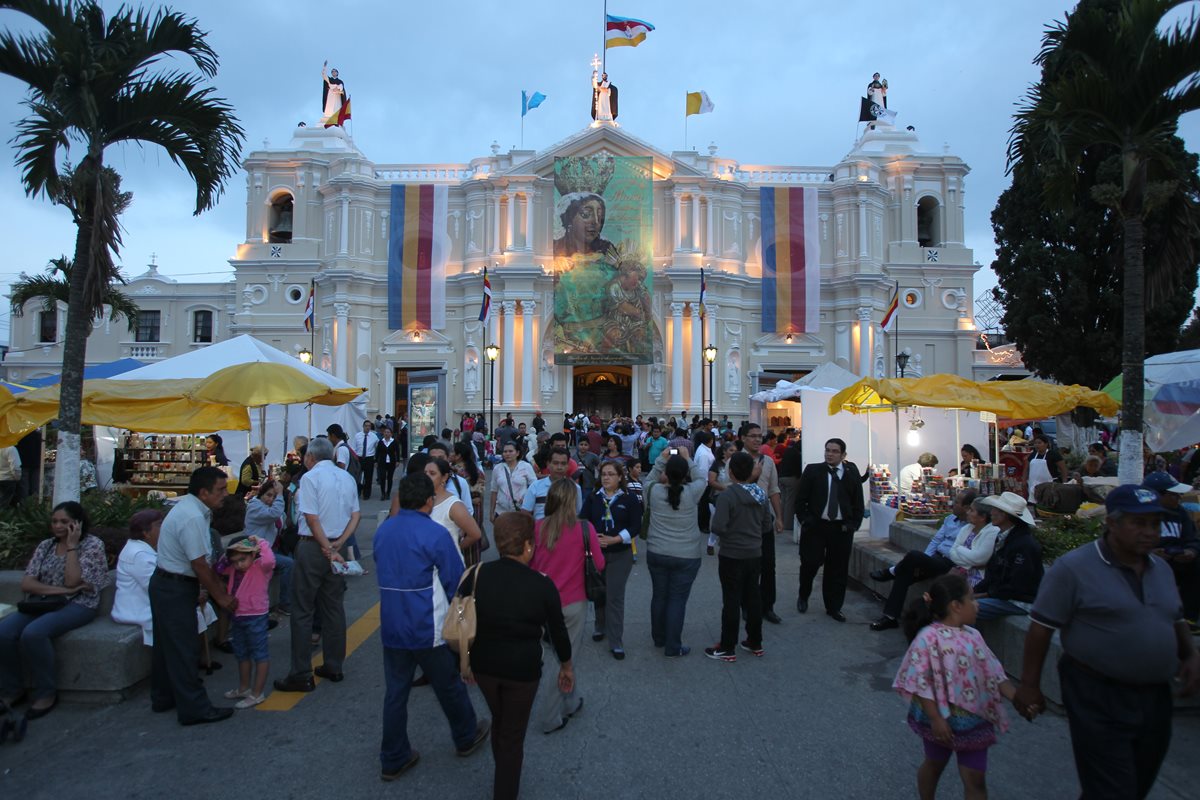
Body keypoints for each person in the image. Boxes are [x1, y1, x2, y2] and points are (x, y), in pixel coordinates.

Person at [1014, 485, 1200, 799]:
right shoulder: (1073, 568)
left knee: (1134, 783)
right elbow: (1040, 628)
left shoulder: (1162, 569)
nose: (1148, 532)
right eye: (1138, 523)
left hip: (1155, 695)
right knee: (1113, 788)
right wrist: (1029, 685)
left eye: (1154, 524)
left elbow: (1174, 616)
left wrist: (1190, 655)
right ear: (1111, 523)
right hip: (1097, 692)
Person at [375, 473, 491, 781]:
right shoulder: (436, 533)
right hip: (429, 625)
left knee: (395, 693)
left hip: (392, 624)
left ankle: (393, 756)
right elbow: (456, 581)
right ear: (429, 500)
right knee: (448, 685)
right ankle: (466, 735)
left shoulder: (384, 531)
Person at [469, 513, 573, 800]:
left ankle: (502, 768)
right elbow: (558, 632)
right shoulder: (542, 584)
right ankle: (505, 789)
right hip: (523, 670)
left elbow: (461, 619)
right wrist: (566, 665)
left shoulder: (476, 575)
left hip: (483, 665)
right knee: (513, 733)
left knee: (501, 721)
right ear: (528, 546)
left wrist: (463, 661)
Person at [894, 573, 1016, 800]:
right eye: (972, 599)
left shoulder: (974, 636)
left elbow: (993, 671)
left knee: (975, 779)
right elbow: (922, 682)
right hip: (941, 720)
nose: (977, 605)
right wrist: (936, 719)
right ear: (956, 606)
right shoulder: (928, 638)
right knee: (934, 764)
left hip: (974, 720)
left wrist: (1016, 697)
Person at [0, 501, 108, 719]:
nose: (58, 526)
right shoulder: (46, 545)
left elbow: (73, 581)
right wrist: (58, 591)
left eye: (64, 522)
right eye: (54, 521)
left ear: (77, 524)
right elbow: (28, 583)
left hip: (79, 604)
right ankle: (13, 689)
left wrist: (71, 546)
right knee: (4, 632)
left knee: (34, 633)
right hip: (43, 602)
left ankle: (46, 693)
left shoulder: (92, 545)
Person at [148, 467, 239, 724]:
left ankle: (163, 697)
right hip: (174, 586)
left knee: (167, 647)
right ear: (203, 492)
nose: (225, 494)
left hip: (169, 584)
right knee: (184, 648)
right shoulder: (192, 517)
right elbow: (200, 564)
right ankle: (194, 708)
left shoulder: (192, 510)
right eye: (220, 490)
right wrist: (221, 597)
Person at [274, 437, 360, 693]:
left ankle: (301, 673)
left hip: (314, 546)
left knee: (303, 609)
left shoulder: (310, 478)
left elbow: (311, 518)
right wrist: (338, 544)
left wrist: (325, 546)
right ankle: (334, 664)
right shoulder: (346, 477)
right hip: (337, 544)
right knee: (333, 606)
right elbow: (355, 515)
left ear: (311, 457)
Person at [531, 479, 605, 733]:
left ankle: (571, 701)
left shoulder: (538, 527)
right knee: (566, 657)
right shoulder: (585, 528)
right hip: (573, 602)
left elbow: (529, 564)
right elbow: (600, 564)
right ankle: (551, 715)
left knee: (558, 654)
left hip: (541, 603)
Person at [869, 490, 981, 630]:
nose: (953, 503)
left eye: (957, 502)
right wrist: (925, 561)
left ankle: (891, 572)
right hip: (935, 560)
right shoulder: (950, 519)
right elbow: (936, 540)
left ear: (966, 507)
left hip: (951, 564)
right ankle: (890, 617)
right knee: (905, 573)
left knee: (913, 556)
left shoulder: (973, 527)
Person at [705, 452, 773, 662]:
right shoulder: (760, 494)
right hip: (754, 552)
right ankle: (755, 641)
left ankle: (728, 645)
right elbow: (766, 525)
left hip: (732, 553)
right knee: (753, 597)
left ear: (731, 472)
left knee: (732, 599)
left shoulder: (728, 495)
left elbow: (717, 526)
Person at [644, 450, 707, 658]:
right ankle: (673, 644)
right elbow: (701, 477)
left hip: (657, 551)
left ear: (667, 473)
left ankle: (659, 637)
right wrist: (688, 458)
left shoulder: (653, 490)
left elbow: (651, 477)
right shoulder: (692, 491)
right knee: (677, 599)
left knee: (659, 595)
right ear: (684, 474)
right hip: (686, 554)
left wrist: (662, 459)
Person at [795, 438, 865, 621]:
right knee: (810, 564)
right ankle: (803, 594)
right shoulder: (812, 470)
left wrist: (853, 525)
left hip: (841, 529)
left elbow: (858, 501)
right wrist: (805, 520)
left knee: (837, 569)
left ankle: (834, 607)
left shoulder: (851, 473)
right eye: (827, 450)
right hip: (816, 527)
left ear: (843, 455)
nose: (829, 454)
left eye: (834, 451)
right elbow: (800, 499)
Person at [581, 461, 641, 660]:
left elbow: (635, 526)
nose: (606, 478)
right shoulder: (593, 498)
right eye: (603, 474)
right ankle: (600, 626)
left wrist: (616, 538)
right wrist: (592, 538)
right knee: (599, 591)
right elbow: (583, 521)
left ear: (619, 477)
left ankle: (616, 640)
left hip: (620, 553)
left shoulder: (629, 499)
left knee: (614, 596)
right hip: (596, 553)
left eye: (610, 474)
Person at [215, 536, 274, 708]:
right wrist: (228, 557)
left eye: (243, 559)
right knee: (241, 653)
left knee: (260, 654)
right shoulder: (233, 569)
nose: (239, 564)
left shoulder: (261, 567)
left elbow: (270, 559)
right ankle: (244, 688)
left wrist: (259, 542)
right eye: (235, 561)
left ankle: (257, 693)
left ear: (253, 555)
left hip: (256, 615)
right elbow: (219, 568)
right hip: (239, 615)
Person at [1142, 471, 1200, 625]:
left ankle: (1189, 618)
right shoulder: (1140, 514)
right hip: (1147, 561)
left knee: (1196, 566)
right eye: (1173, 495)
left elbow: (1192, 538)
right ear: (1158, 495)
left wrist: (1191, 551)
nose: (1178, 498)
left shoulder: (1179, 512)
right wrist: (1150, 553)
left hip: (1176, 559)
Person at [973, 492, 1043, 620]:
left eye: (995, 509)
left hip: (1020, 601)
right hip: (1004, 596)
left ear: (1004, 515)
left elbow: (1017, 586)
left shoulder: (1023, 545)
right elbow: (993, 574)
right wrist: (973, 591)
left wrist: (984, 595)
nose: (991, 513)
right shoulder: (1004, 538)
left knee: (965, 609)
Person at [741, 424, 784, 623]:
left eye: (760, 436)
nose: (757, 440)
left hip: (764, 519)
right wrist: (752, 476)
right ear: (743, 438)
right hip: (743, 520)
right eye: (753, 436)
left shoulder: (768, 461)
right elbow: (732, 489)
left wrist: (779, 517)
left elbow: (773, 489)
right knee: (748, 567)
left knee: (768, 565)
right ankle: (748, 606)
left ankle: (768, 606)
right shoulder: (735, 460)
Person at [242, 480, 291, 616]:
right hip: (257, 552)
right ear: (261, 494)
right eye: (268, 495)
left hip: (270, 549)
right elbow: (274, 514)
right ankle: (285, 603)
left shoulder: (272, 509)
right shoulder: (255, 507)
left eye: (274, 497)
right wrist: (280, 494)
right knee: (289, 564)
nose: (271, 500)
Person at [425, 457, 483, 565]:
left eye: (432, 473)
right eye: (425, 473)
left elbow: (475, 534)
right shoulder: (421, 500)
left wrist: (454, 549)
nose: (427, 476)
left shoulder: (454, 504)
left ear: (444, 477)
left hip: (446, 566)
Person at [522, 447, 582, 521]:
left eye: (563, 463)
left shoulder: (575, 488)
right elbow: (525, 513)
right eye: (555, 463)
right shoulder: (535, 486)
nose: (559, 467)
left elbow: (578, 515)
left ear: (567, 466)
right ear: (548, 464)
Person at [489, 441, 537, 518]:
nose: (507, 454)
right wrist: (491, 511)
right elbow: (494, 490)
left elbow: (534, 486)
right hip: (501, 512)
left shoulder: (526, 467)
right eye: (505, 451)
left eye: (511, 451)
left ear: (517, 453)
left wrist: (526, 498)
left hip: (521, 511)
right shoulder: (497, 468)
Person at [356, 420, 380, 500]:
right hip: (359, 458)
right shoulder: (357, 436)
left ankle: (367, 494)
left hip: (369, 458)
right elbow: (354, 447)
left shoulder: (374, 436)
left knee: (368, 477)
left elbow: (378, 447)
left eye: (369, 426)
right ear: (363, 426)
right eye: (366, 426)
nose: (367, 427)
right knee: (358, 476)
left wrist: (376, 459)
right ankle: (358, 491)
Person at [377, 425, 400, 500]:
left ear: (391, 434)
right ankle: (382, 493)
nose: (387, 433)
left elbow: (397, 451)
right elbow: (378, 452)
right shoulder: (381, 442)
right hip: (382, 462)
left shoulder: (394, 442)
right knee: (382, 477)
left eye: (388, 432)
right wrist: (376, 461)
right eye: (385, 432)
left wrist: (398, 461)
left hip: (391, 462)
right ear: (383, 433)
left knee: (390, 478)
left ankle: (388, 493)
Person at [320, 61, 346, 125]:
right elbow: (323, 75)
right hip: (330, 96)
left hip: (337, 96)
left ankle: (336, 119)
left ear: (337, 73)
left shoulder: (340, 81)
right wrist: (324, 67)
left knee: (337, 108)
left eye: (335, 71)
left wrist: (337, 88)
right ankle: (328, 119)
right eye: (332, 71)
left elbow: (341, 87)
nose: (333, 72)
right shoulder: (329, 79)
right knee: (329, 109)